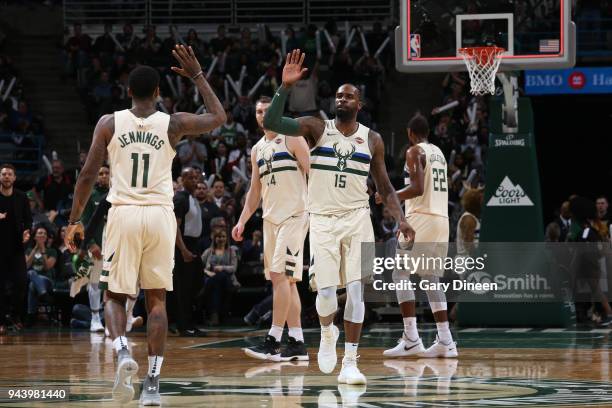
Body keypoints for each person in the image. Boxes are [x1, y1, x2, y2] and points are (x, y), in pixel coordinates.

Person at [64, 45, 226, 405]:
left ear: (127, 92)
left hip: (122, 212)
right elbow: (219, 117)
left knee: (114, 296)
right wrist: (198, 75)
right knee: (156, 302)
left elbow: (88, 174)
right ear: (157, 93)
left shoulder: (109, 122)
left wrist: (74, 220)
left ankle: (122, 350)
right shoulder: (173, 123)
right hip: (159, 215)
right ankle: (151, 384)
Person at [263, 50, 414, 384]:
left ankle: (351, 361)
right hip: (322, 220)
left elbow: (385, 185)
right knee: (327, 295)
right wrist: (284, 88)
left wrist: (401, 218)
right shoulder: (317, 128)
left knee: (357, 292)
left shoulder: (372, 139)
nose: (342, 99)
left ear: (359, 104)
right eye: (338, 95)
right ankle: (327, 332)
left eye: (349, 96)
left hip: (358, 217)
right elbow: (272, 123)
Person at [233, 95, 310, 362]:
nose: (262, 115)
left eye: (267, 110)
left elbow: (315, 171)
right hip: (271, 220)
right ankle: (298, 343)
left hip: (295, 215)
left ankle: (273, 340)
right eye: (258, 111)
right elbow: (255, 191)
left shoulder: (293, 137)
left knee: (279, 275)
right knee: (287, 282)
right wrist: (242, 220)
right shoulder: (256, 149)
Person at [382, 113, 458, 359]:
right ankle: (446, 340)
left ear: (410, 133)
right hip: (441, 220)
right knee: (430, 278)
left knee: (399, 273)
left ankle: (411, 338)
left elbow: (418, 188)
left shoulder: (414, 151)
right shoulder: (439, 153)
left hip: (421, 218)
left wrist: (390, 195)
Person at [0, 164, 32, 335]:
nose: (6, 176)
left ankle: (14, 315)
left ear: (14, 178)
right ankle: (1, 322)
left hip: (17, 248)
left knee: (21, 282)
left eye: (9, 174)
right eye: (3, 174)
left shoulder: (21, 197)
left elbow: (28, 220)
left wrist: (27, 232)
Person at [173, 167, 205, 337]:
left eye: (196, 177)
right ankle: (183, 326)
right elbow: (174, 227)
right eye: (191, 178)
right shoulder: (180, 198)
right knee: (183, 288)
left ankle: (190, 323)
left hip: (195, 245)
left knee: (196, 285)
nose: (195, 180)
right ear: (183, 179)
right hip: (182, 246)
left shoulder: (192, 198)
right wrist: (183, 249)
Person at [80, 164, 110, 333]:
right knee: (95, 283)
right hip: (97, 245)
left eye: (106, 173)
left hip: (115, 246)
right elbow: (84, 221)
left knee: (114, 285)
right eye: (100, 173)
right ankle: (95, 318)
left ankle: (111, 320)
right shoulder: (90, 195)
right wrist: (90, 244)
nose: (103, 176)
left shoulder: (118, 193)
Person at [201, 229, 240, 325]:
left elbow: (233, 268)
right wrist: (208, 273)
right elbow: (199, 266)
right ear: (214, 239)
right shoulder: (208, 251)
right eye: (218, 237)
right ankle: (217, 315)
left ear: (227, 238)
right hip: (211, 278)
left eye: (223, 236)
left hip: (227, 280)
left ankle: (214, 315)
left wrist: (221, 268)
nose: (221, 239)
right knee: (216, 283)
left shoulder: (231, 251)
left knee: (220, 277)